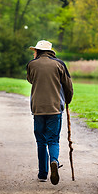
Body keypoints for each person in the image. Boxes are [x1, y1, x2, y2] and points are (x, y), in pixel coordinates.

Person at [26, 40, 73, 185]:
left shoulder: (31, 65)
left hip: (38, 109)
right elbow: (68, 86)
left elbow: (30, 79)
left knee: (41, 141)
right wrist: (68, 100)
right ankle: (54, 160)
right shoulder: (60, 64)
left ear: (38, 51)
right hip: (55, 108)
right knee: (53, 140)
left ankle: (42, 174)